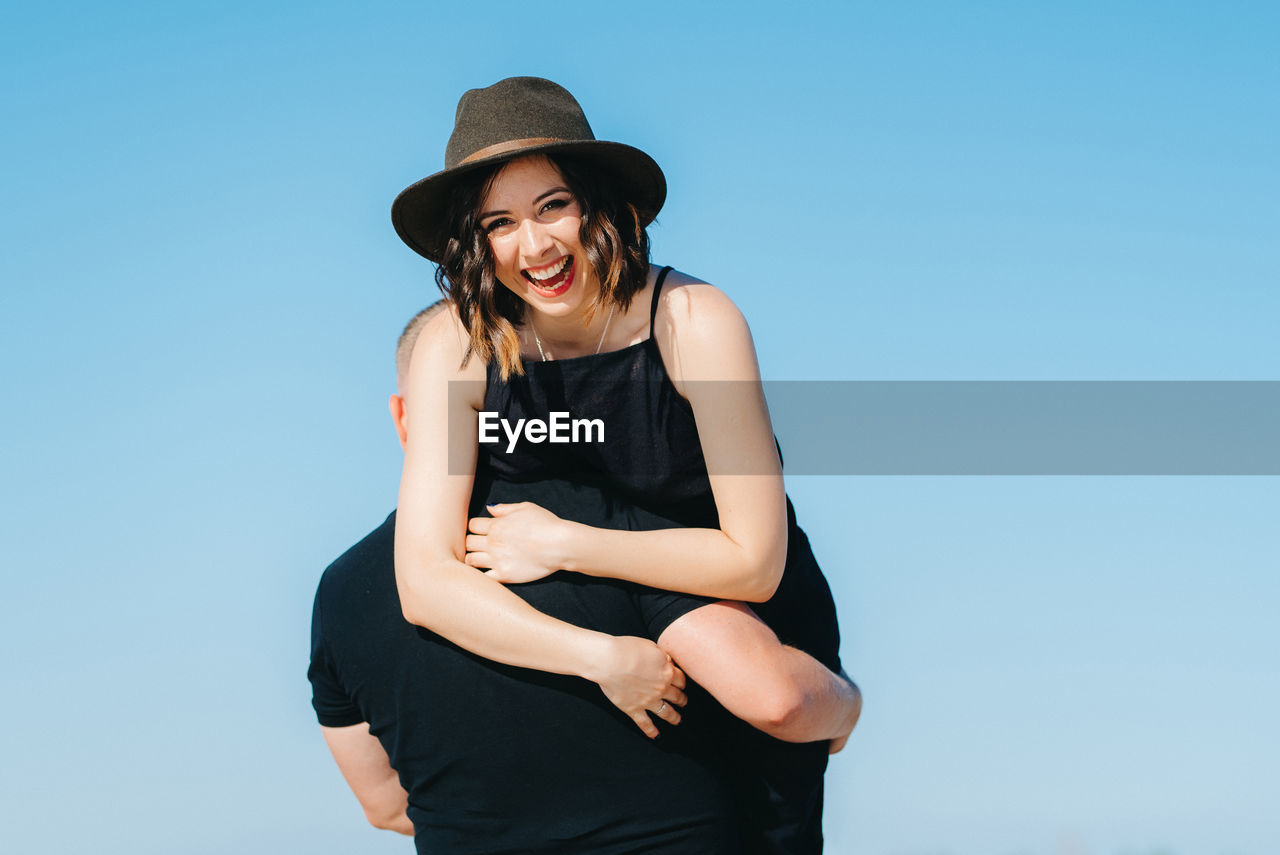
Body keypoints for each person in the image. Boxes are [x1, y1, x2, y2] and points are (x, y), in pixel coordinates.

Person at [390, 77, 852, 851]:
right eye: (499, 222)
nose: (534, 247)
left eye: (553, 206)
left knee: (771, 720)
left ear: (602, 205)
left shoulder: (694, 322)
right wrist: (596, 655)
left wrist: (568, 542)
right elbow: (423, 579)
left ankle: (848, 705)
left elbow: (755, 561)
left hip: (727, 593)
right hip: (610, 626)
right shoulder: (456, 343)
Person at [309, 303, 862, 853]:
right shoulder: (611, 528)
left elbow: (383, 804)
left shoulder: (339, 591)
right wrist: (846, 704)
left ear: (404, 416)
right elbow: (773, 698)